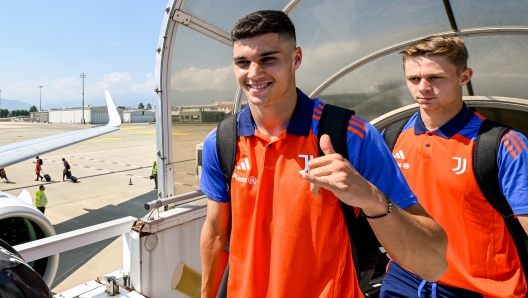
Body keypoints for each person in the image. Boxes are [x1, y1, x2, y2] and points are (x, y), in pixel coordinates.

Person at [199, 10, 448, 298]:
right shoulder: (222, 141)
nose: (254, 73)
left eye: (268, 59)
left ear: (296, 59)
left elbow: (433, 264)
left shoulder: (352, 136)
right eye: (243, 62)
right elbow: (216, 232)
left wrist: (370, 198)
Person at [379, 36, 528, 297]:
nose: (423, 88)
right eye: (414, 79)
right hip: (405, 279)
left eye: (436, 78)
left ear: (464, 76)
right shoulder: (392, 137)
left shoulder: (503, 145)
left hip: (480, 288)